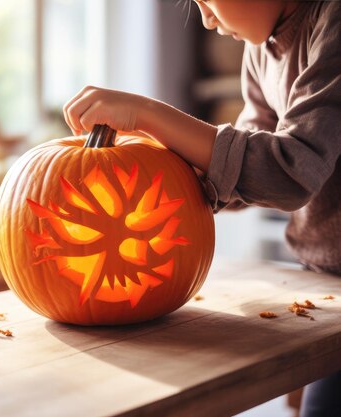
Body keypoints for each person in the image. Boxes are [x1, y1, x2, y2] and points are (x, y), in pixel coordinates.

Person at [63, 1, 340, 416]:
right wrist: (148, 188)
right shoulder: (260, 47)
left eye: (209, 1)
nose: (207, 19)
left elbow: (289, 171)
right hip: (324, 277)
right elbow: (249, 161)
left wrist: (147, 114)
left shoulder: (333, 22)